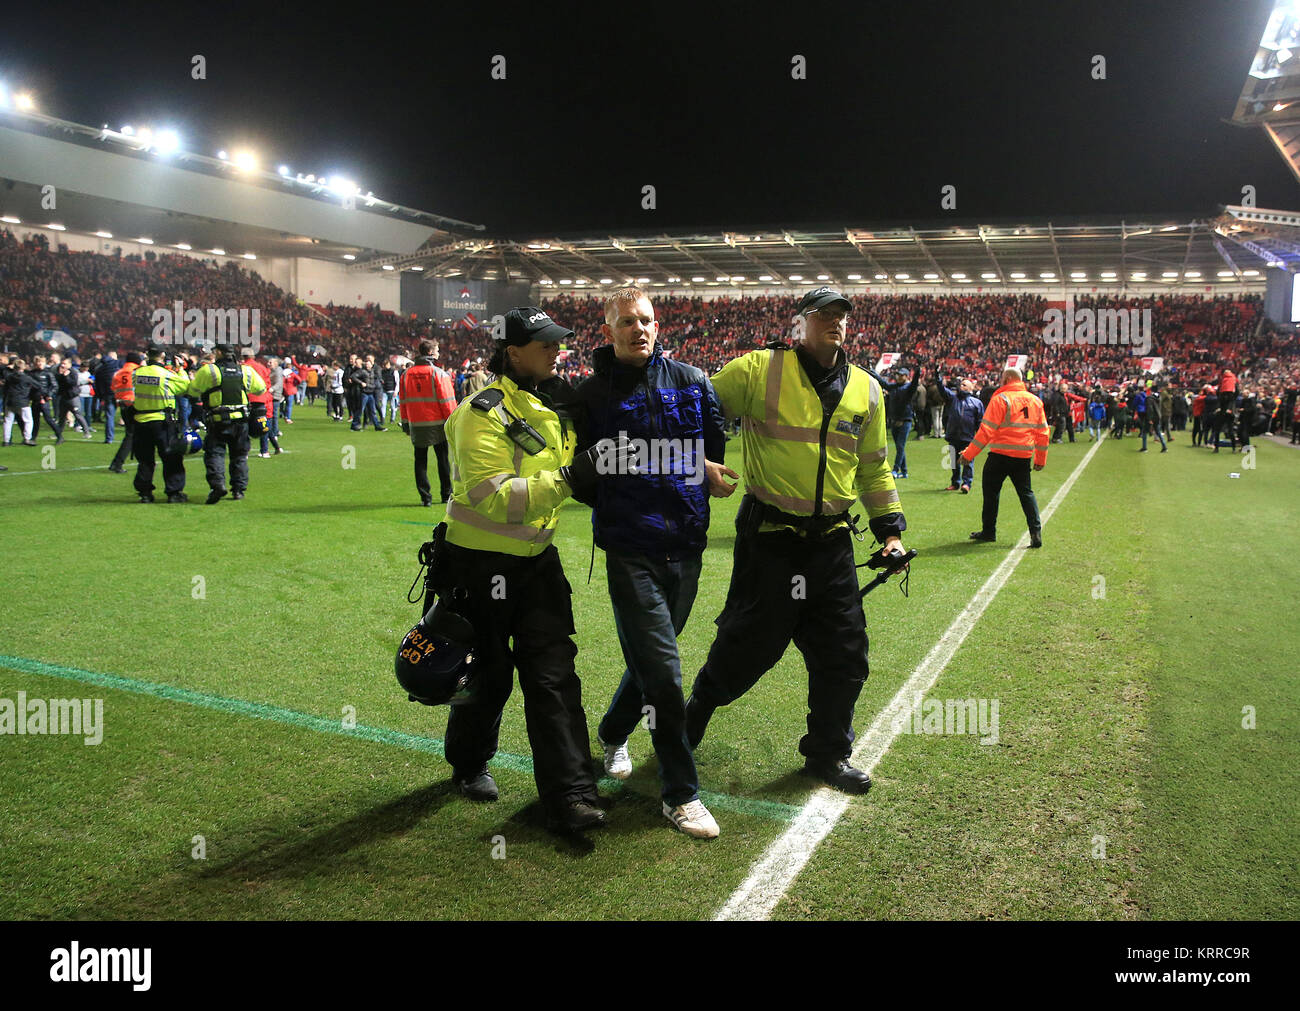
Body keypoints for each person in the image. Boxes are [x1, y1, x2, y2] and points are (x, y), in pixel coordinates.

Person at [685, 286, 908, 795]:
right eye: (823, 314)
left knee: (844, 653)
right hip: (770, 539)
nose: (835, 322)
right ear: (798, 324)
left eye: (841, 316)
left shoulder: (868, 390)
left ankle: (828, 753)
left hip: (831, 545)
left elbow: (874, 469)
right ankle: (693, 714)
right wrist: (698, 464)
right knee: (749, 647)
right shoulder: (756, 370)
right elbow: (689, 411)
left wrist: (891, 534)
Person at [434, 306, 608, 834]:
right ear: (513, 352)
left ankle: (571, 794)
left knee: (555, 676)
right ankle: (468, 764)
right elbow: (497, 500)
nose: (557, 352)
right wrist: (572, 479)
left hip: (536, 565)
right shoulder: (479, 413)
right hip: (478, 565)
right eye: (546, 345)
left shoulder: (544, 403)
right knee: (487, 677)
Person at [572, 286, 736, 839]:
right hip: (629, 552)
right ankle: (680, 794)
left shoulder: (693, 381)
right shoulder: (591, 394)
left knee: (648, 667)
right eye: (626, 322)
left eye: (645, 320)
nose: (637, 329)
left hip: (687, 547)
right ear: (609, 331)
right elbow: (582, 476)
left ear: (657, 325)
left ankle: (612, 733)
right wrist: (625, 503)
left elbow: (712, 451)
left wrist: (707, 474)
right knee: (665, 676)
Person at [962, 366, 1048, 548]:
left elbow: (985, 431)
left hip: (999, 455)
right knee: (1026, 493)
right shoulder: (1035, 401)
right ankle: (1035, 532)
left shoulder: (1001, 399)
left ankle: (989, 531)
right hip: (1023, 456)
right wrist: (1040, 459)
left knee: (991, 493)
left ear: (1008, 378)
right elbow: (1043, 434)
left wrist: (968, 455)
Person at [188, 344, 268, 503]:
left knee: (215, 453)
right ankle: (238, 490)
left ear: (218, 352)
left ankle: (217, 485)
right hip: (241, 420)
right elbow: (261, 389)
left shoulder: (209, 370)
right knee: (239, 456)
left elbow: (193, 391)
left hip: (218, 420)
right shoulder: (245, 370)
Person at [130, 343, 192, 503]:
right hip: (162, 422)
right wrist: (181, 370)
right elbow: (184, 387)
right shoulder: (165, 374)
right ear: (163, 356)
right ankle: (174, 492)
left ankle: (145, 493)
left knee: (145, 459)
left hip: (141, 421)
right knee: (171, 457)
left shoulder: (137, 373)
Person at [399, 339, 456, 506]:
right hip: (437, 424)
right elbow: (447, 401)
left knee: (420, 461)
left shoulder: (406, 375)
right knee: (443, 459)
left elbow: (402, 402)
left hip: (417, 424)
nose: (438, 353)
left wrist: (405, 423)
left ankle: (425, 498)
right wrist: (452, 421)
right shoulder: (438, 373)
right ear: (431, 353)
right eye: (437, 350)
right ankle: (446, 495)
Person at [939, 373, 984, 493]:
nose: (961, 385)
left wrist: (979, 437)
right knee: (954, 461)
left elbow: (980, 422)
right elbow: (941, 389)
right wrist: (937, 376)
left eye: (964, 384)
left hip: (968, 437)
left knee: (968, 461)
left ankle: (966, 483)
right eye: (961, 384)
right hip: (953, 436)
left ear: (970, 388)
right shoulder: (953, 398)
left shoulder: (976, 403)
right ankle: (955, 482)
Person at [106, 351, 143, 473]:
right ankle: (118, 463)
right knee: (133, 435)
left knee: (132, 434)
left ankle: (118, 462)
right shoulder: (138, 371)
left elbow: (113, 388)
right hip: (134, 404)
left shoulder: (118, 373)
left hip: (122, 404)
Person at [881, 366, 919, 477]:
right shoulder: (894, 387)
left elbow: (915, 382)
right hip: (895, 419)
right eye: (898, 374)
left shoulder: (909, 387)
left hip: (905, 420)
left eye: (901, 375)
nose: (899, 377)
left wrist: (918, 371)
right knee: (899, 446)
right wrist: (872, 371)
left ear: (907, 376)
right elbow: (883, 383)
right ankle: (904, 471)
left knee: (900, 446)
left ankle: (895, 469)